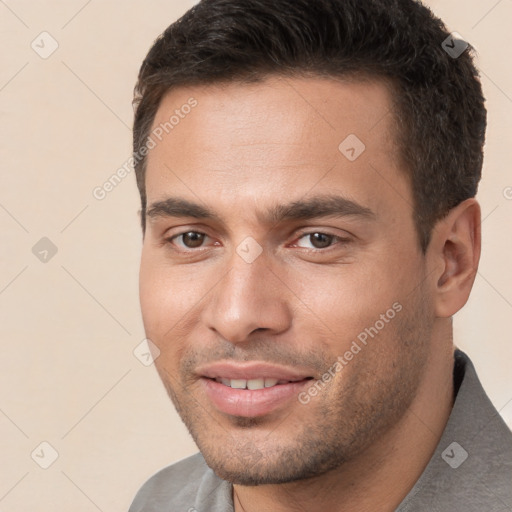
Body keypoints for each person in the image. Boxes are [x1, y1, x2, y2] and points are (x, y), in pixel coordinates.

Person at [128, 0, 512, 510]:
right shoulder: (158, 501)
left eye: (317, 240)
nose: (238, 315)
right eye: (192, 238)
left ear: (450, 261)